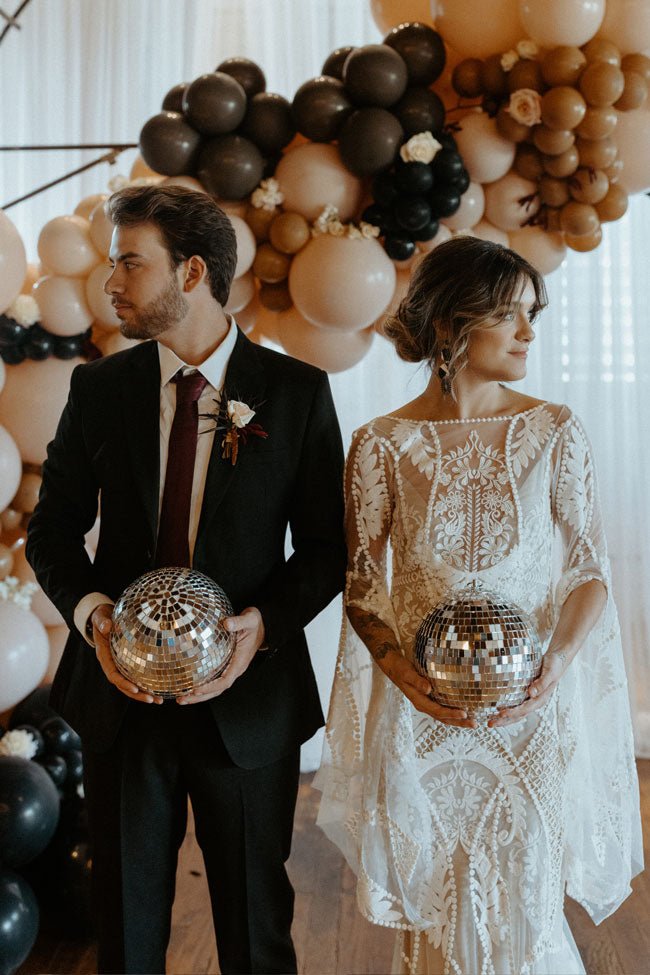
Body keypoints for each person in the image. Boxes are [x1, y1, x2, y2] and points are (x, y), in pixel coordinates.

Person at [26, 184, 346, 975]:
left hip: (249, 706)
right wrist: (97, 617)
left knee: (254, 935)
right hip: (117, 703)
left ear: (192, 271)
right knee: (126, 937)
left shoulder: (297, 393)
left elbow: (327, 549)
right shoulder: (98, 389)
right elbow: (52, 531)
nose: (111, 284)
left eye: (130, 263)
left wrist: (259, 628)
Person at [314, 236, 643, 974]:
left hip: (527, 711)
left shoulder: (554, 430)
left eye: (534, 314)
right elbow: (364, 584)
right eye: (511, 314)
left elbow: (589, 568)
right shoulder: (381, 445)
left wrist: (553, 668)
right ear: (447, 326)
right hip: (421, 716)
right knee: (437, 904)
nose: (530, 332)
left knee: (522, 902)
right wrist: (402, 675)